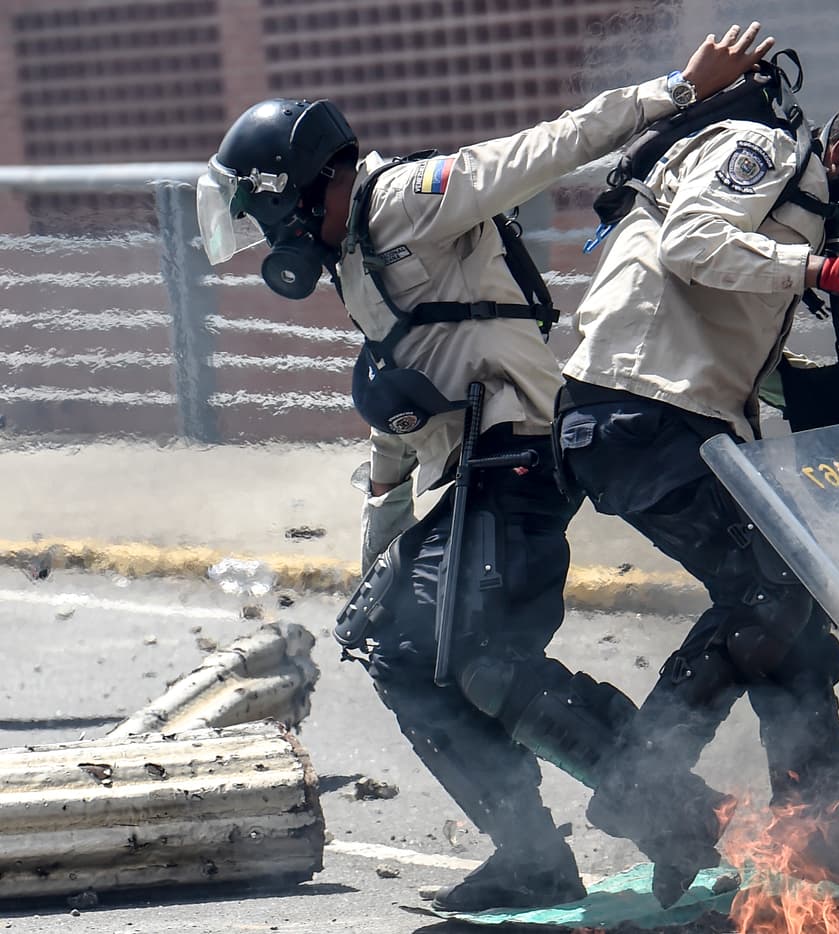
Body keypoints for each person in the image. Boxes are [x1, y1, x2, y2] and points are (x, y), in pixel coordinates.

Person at [195, 24, 773, 912]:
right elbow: (397, 427)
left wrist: (679, 88)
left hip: (523, 453)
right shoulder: (355, 265)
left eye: (262, 210)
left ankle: (672, 808)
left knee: (477, 657)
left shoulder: (406, 201)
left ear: (298, 190)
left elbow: (550, 147)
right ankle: (536, 857)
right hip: (472, 476)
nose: (265, 235)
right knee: (397, 652)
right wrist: (377, 555)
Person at [552, 66, 839, 905]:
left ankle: (822, 829)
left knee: (801, 621)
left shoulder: (796, 223)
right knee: (773, 593)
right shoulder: (761, 149)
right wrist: (823, 271)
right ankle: (640, 783)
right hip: (632, 412)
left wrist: (831, 392)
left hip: (683, 419)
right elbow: (690, 242)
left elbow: (731, 343)